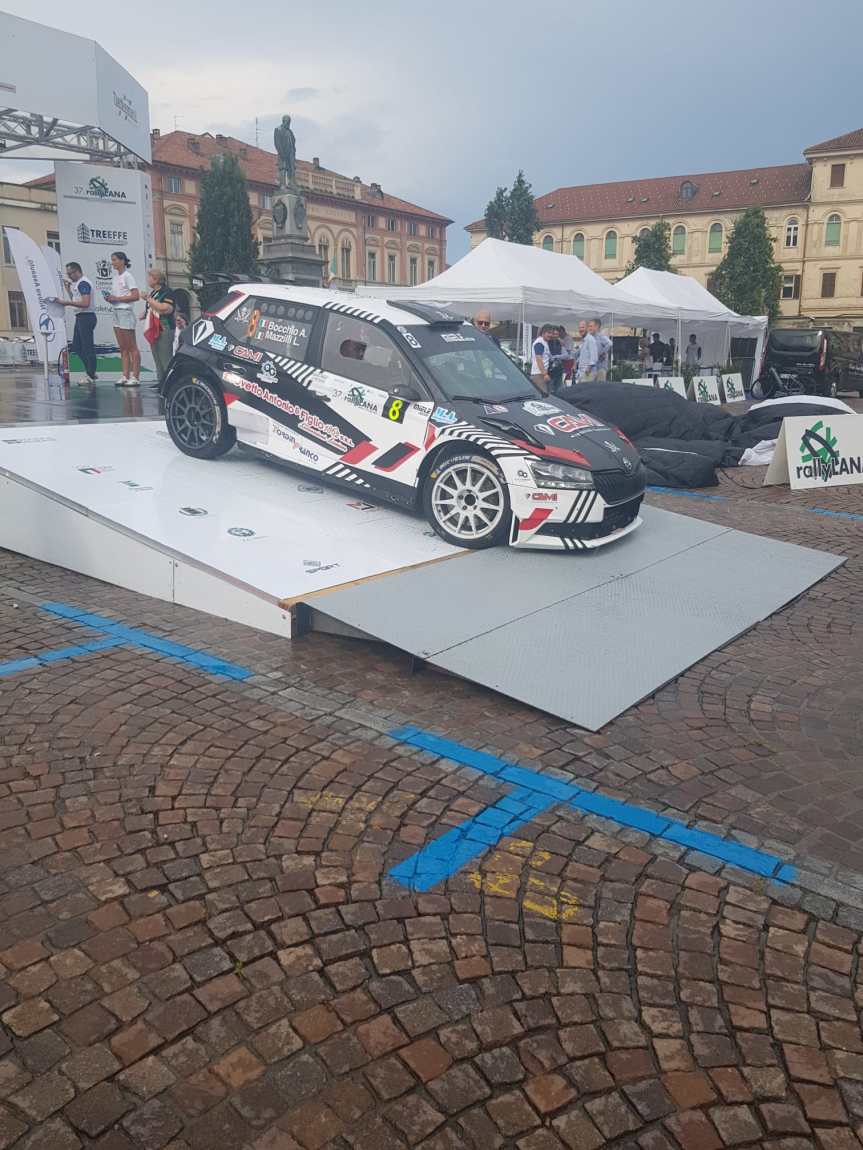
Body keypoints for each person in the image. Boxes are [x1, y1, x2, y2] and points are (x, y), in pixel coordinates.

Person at [54, 262, 97, 382]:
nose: (69, 276)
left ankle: (90, 374)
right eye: (68, 274)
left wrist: (66, 303)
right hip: (80, 317)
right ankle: (91, 371)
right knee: (77, 347)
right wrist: (68, 290)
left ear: (77, 271)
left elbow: (85, 303)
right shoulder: (78, 284)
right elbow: (77, 299)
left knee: (87, 347)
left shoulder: (83, 283)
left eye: (70, 273)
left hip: (86, 317)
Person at [106, 251, 140, 386]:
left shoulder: (128, 276)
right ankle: (125, 375)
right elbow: (118, 296)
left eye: (114, 260)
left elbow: (135, 296)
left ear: (122, 261)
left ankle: (135, 376)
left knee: (132, 347)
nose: (112, 262)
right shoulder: (115, 277)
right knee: (123, 347)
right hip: (116, 311)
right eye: (112, 260)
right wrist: (111, 299)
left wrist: (117, 299)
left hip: (125, 312)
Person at [142, 268, 176, 384]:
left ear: (156, 279)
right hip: (154, 329)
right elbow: (152, 309)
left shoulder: (167, 292)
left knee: (165, 359)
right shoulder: (153, 293)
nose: (148, 280)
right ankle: (161, 383)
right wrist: (145, 314)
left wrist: (148, 299)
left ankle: (171, 384)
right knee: (157, 359)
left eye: (149, 277)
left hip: (164, 328)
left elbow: (164, 308)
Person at [531, 324, 556, 394]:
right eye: (548, 333)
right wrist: (544, 374)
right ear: (543, 333)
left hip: (540, 374)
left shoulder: (544, 342)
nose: (550, 335)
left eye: (552, 333)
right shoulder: (539, 342)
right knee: (543, 395)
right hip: (539, 375)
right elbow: (539, 359)